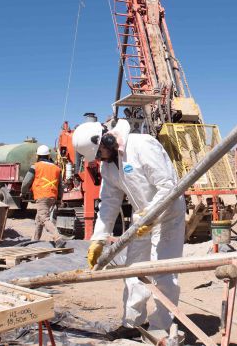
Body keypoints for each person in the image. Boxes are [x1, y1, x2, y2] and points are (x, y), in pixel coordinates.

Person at [79, 119, 185, 334]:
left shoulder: (141, 145)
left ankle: (160, 327)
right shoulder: (108, 165)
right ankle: (132, 323)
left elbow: (168, 187)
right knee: (134, 271)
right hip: (141, 219)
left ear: (106, 140)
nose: (100, 159)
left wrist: (151, 215)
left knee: (163, 272)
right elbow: (109, 201)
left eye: (100, 153)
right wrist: (98, 238)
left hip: (168, 215)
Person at [21, 145, 67, 248]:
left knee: (44, 218)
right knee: (39, 218)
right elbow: (61, 185)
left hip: (42, 196)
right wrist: (59, 198)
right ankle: (35, 240)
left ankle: (58, 238)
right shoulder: (57, 168)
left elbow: (26, 182)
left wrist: (23, 192)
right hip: (52, 196)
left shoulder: (35, 166)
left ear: (37, 156)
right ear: (48, 155)